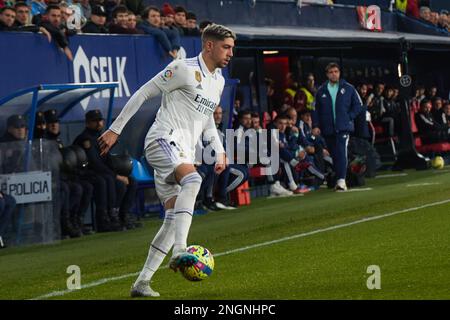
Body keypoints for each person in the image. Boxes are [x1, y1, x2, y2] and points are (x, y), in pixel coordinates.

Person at [97, 24, 235, 297]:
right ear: (209, 45)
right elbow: (144, 92)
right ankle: (181, 250)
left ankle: (142, 283)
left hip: (182, 150)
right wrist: (116, 128)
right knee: (194, 180)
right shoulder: (183, 68)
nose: (231, 52)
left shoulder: (218, 80)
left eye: (232, 48)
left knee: (173, 219)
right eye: (226, 47)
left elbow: (206, 117)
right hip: (162, 138)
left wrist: (218, 149)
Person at [312, 62, 363, 191]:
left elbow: (359, 105)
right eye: (331, 72)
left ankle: (341, 180)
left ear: (339, 73)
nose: (334, 74)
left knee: (341, 151)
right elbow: (315, 110)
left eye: (336, 71)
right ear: (327, 74)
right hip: (327, 128)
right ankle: (340, 178)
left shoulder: (349, 88)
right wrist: (316, 125)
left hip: (343, 127)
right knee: (334, 155)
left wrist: (349, 117)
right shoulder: (321, 91)